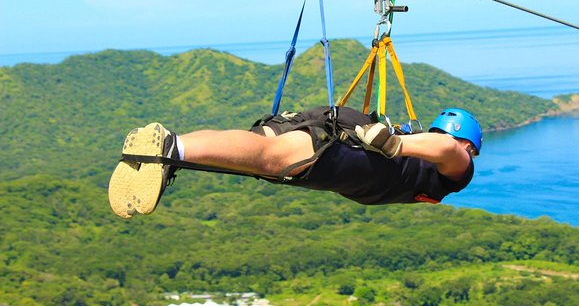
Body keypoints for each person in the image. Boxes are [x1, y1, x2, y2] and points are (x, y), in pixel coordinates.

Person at [109, 106, 482, 219]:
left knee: (260, 150)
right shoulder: (454, 168)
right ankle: (172, 150)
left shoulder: (418, 147)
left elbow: (438, 145)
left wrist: (396, 141)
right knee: (273, 159)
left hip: (340, 126)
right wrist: (396, 145)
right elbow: (449, 151)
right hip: (353, 155)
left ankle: (176, 147)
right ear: (470, 144)